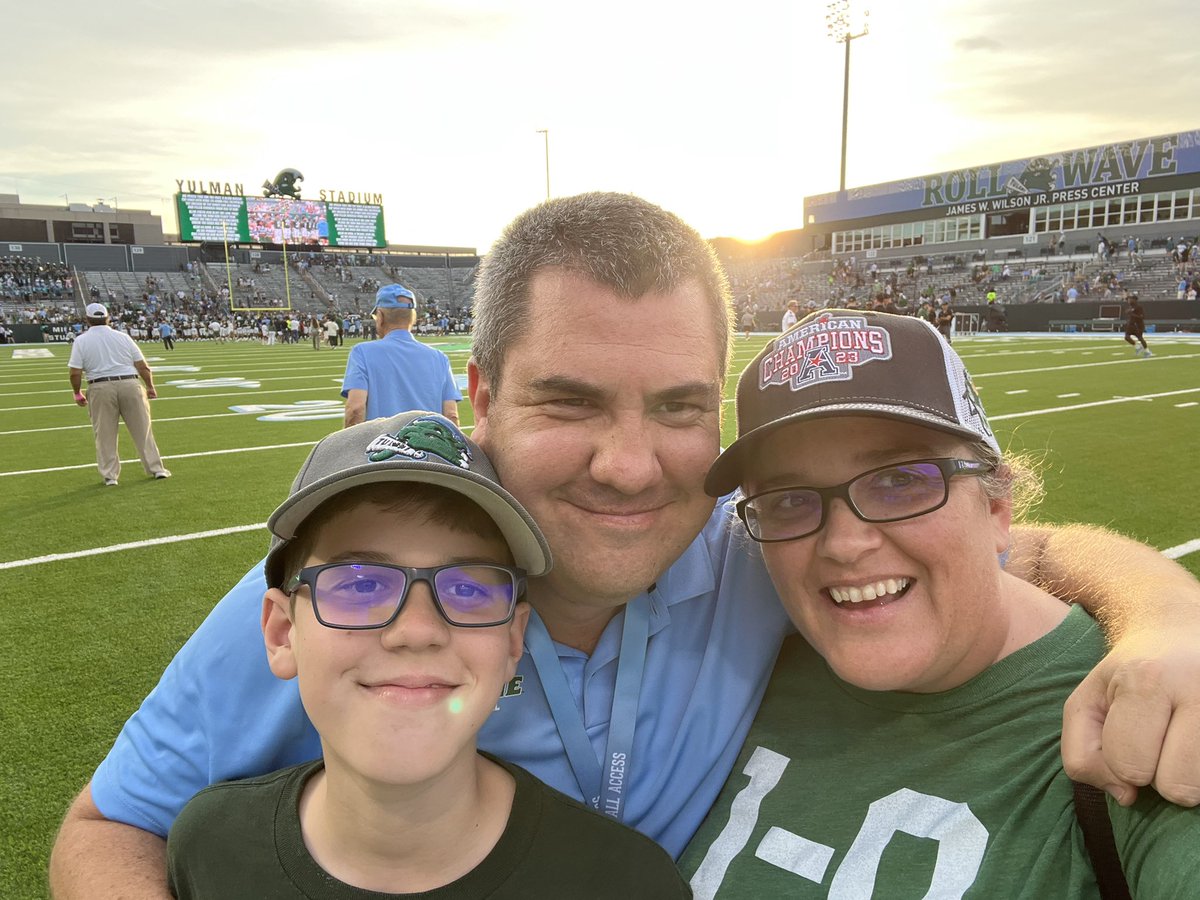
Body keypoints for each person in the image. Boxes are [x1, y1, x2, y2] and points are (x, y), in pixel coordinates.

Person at [51, 194, 1200, 898]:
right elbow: (108, 831)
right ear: (482, 397)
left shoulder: (770, 549)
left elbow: (1006, 546)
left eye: (681, 407)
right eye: (571, 403)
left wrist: (1167, 615)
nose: (633, 465)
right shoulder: (360, 595)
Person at [682, 310, 1199, 896]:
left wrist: (1173, 615)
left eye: (902, 480)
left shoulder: (1131, 711)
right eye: (788, 499)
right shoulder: (748, 651)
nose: (845, 544)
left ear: (997, 506)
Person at [166, 410, 687, 898]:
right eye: (361, 583)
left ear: (511, 642)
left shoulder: (626, 882)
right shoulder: (211, 844)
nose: (416, 630)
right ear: (283, 634)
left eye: (467, 590)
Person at [67, 302, 170, 486]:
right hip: (130, 383)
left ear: (88, 320)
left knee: (105, 433)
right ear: (107, 318)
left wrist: (77, 393)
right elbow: (142, 366)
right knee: (143, 430)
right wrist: (150, 386)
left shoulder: (81, 340)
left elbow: (75, 372)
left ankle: (110, 475)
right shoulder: (123, 337)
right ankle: (156, 469)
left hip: (100, 386)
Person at [340, 284, 461, 428]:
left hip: (380, 448)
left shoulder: (362, 352)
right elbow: (451, 415)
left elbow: (355, 409)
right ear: (413, 318)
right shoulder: (439, 358)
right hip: (426, 448)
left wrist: (350, 448)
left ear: (380, 316)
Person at [1125, 293, 1152, 357]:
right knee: (1127, 337)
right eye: (1128, 299)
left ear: (1134, 299)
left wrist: (1132, 314)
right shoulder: (1131, 307)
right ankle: (1137, 347)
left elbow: (1142, 317)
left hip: (1138, 325)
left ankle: (1147, 351)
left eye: (1130, 299)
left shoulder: (1139, 307)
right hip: (1131, 325)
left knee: (1140, 338)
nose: (1128, 300)